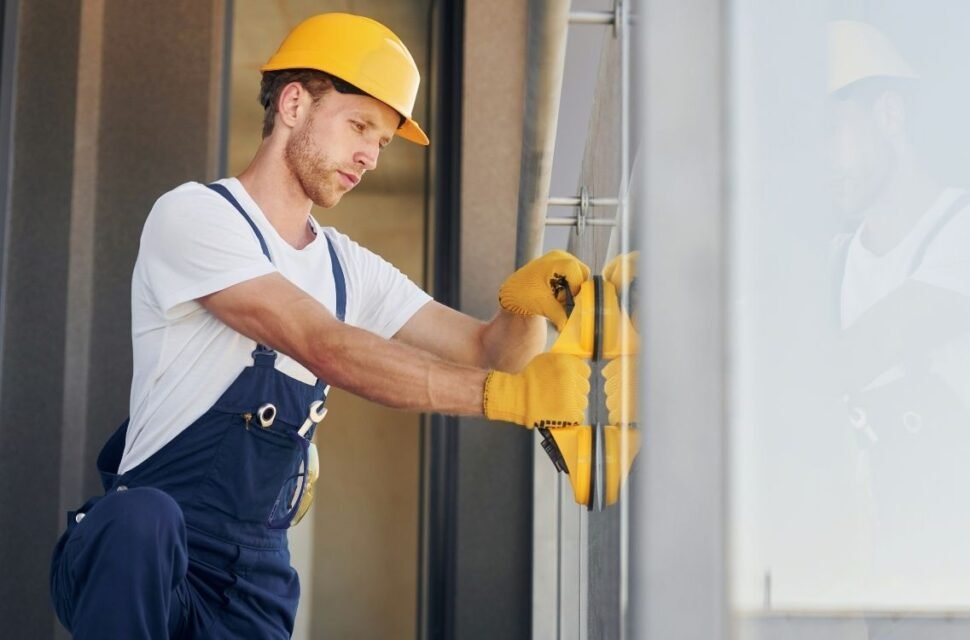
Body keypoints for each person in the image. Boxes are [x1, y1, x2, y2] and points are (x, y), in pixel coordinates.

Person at [49, 13, 591, 638]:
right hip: (149, 555)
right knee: (140, 520)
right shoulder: (195, 216)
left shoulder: (346, 268)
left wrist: (525, 309)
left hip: (252, 581)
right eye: (359, 125)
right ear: (293, 104)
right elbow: (321, 344)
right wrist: (502, 399)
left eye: (382, 142)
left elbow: (492, 354)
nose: (370, 157)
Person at [827, 19, 970, 604]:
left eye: (829, 131)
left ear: (890, 115)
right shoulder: (833, 267)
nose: (816, 161)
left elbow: (862, 351)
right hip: (899, 595)